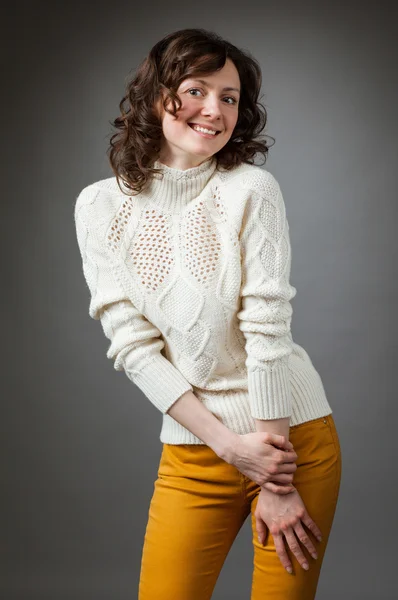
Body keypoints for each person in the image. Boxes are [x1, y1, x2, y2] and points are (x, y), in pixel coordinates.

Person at [74, 27, 342, 600]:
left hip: (289, 441)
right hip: (199, 448)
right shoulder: (98, 207)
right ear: (156, 96)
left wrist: (272, 473)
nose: (214, 110)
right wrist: (227, 445)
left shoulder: (252, 189)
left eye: (230, 98)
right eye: (197, 90)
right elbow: (132, 344)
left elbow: (267, 332)